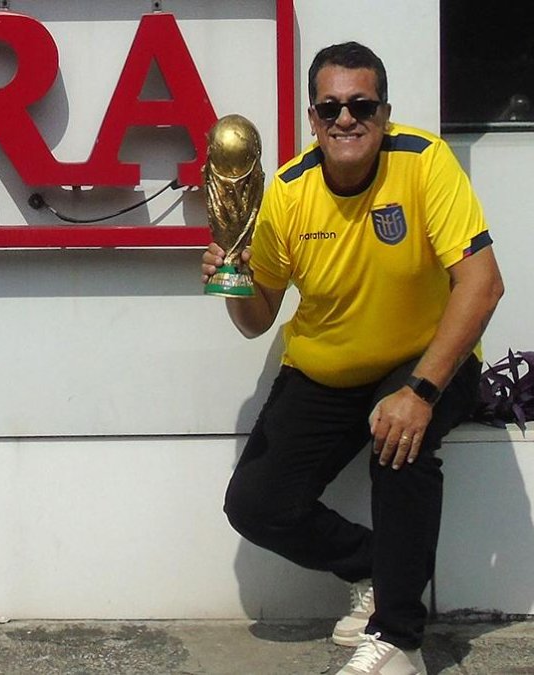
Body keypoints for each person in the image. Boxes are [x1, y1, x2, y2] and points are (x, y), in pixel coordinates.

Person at [202, 42, 505, 675]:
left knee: (401, 440)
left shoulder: (425, 163)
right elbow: (258, 321)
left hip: (423, 358)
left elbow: (482, 285)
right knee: (255, 504)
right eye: (331, 107)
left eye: (361, 105)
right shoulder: (287, 192)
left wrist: (421, 391)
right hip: (328, 366)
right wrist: (233, 280)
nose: (347, 119)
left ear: (385, 113)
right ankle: (375, 568)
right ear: (312, 119)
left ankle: (400, 640)